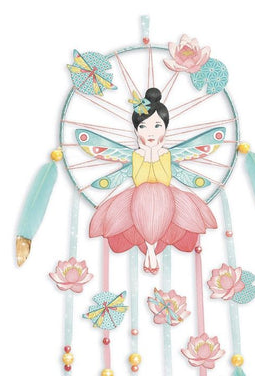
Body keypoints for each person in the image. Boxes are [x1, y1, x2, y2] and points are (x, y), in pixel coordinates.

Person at [89, 88, 217, 274]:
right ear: (136, 130)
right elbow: (139, 179)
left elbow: (164, 178)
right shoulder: (137, 154)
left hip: (166, 195)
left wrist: (154, 154)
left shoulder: (165, 153)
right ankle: (150, 252)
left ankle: (151, 252)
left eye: (157, 126)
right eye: (143, 127)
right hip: (138, 196)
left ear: (165, 128)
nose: (150, 132)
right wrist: (146, 155)